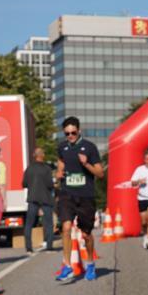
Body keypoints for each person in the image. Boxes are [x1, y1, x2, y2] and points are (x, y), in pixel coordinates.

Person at [55, 117, 104, 281]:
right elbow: (61, 162)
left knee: (86, 234)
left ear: (79, 131)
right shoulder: (62, 147)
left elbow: (100, 173)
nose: (70, 136)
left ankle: (90, 263)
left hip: (85, 196)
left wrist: (86, 164)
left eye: (73, 132)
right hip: (67, 194)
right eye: (67, 133)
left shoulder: (90, 147)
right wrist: (59, 172)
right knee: (66, 227)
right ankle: (67, 265)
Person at [22, 147, 55, 253]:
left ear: (34, 156)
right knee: (48, 224)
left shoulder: (29, 169)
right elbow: (50, 184)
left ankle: (29, 247)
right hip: (45, 198)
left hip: (33, 198)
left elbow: (24, 184)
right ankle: (49, 246)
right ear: (42, 155)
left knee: (29, 223)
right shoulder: (47, 169)